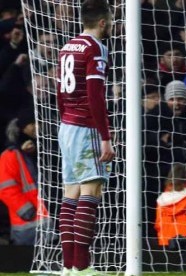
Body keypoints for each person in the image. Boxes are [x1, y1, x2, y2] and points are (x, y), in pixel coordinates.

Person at [55, 0, 115, 275]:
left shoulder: (67, 46)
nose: (112, 26)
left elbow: (58, 91)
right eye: (111, 21)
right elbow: (95, 95)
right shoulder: (96, 48)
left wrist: (64, 121)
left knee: (70, 194)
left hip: (66, 126)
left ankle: (68, 266)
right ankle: (82, 267)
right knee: (90, 192)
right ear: (102, 22)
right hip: (86, 127)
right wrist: (105, 136)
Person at [0, 109, 49, 245]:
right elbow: (5, 188)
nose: (37, 127)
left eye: (38, 123)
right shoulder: (10, 155)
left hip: (46, 222)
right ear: (22, 128)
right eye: (32, 123)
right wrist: (26, 210)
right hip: (28, 225)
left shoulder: (44, 149)